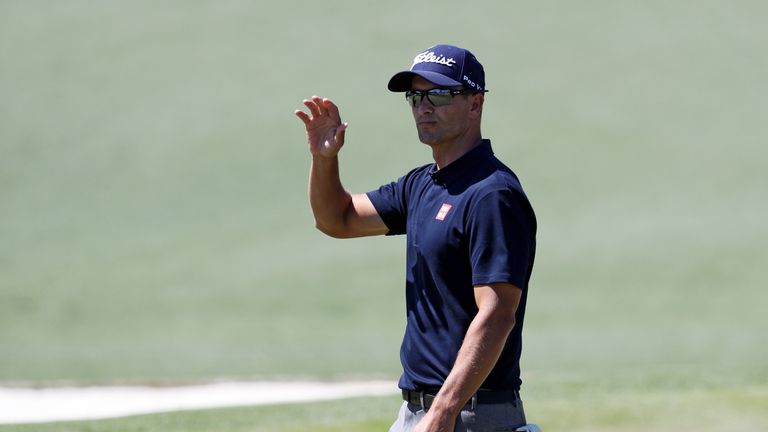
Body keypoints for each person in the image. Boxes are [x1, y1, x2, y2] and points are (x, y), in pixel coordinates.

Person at [294, 44, 537, 432]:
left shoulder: (492, 194)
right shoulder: (420, 185)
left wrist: (442, 413)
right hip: (418, 411)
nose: (424, 106)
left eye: (439, 95)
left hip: (471, 415)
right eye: (416, 96)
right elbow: (336, 220)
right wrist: (325, 160)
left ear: (475, 103)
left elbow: (497, 315)